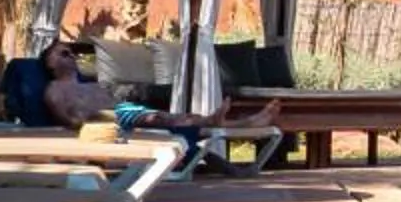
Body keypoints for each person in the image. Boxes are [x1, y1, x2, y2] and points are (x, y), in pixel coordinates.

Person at [40, 38, 279, 135]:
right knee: (167, 120)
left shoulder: (90, 84)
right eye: (63, 53)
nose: (70, 55)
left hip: (124, 114)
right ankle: (232, 122)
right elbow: (66, 120)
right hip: (105, 123)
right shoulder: (54, 90)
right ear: (50, 63)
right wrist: (91, 124)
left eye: (70, 52)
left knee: (178, 120)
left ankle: (242, 123)